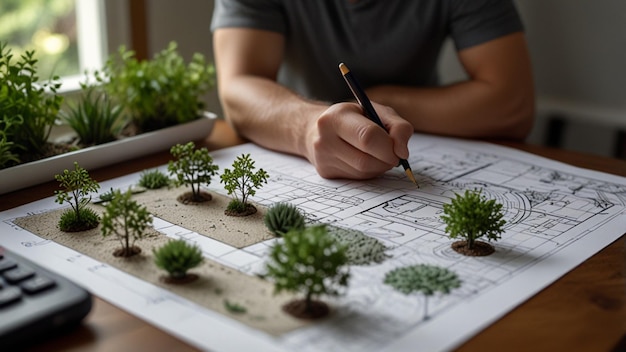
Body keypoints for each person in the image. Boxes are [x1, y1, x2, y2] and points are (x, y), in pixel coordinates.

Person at [211, 1, 535, 180]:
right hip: (296, 148)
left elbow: (512, 104)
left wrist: (380, 102)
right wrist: (309, 128)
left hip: (422, 140)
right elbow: (239, 88)